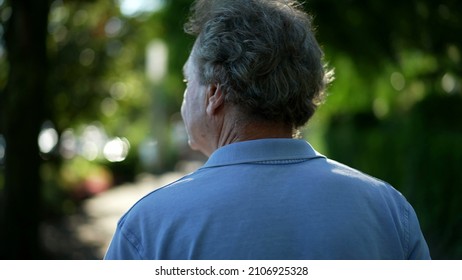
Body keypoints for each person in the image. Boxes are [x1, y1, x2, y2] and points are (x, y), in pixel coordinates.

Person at [104, 0, 430, 260]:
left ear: (214, 94)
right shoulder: (387, 211)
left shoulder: (149, 226)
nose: (185, 94)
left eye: (190, 81)